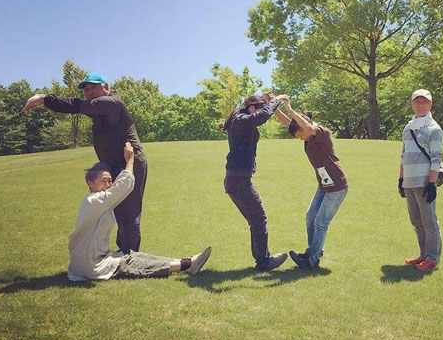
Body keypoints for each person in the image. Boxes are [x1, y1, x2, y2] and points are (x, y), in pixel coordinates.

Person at [22, 72, 147, 254]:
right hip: (110, 164)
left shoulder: (111, 104)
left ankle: (130, 255)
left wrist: (44, 99)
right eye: (86, 89)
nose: (89, 91)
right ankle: (123, 252)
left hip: (130, 160)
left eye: (94, 87)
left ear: (106, 87)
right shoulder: (99, 109)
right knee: (116, 208)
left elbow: (76, 105)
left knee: (128, 211)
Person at [68, 142, 211, 281]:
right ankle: (187, 265)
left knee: (137, 257)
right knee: (134, 263)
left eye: (110, 181)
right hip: (91, 265)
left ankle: (186, 261)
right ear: (90, 183)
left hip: (91, 260)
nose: (108, 185)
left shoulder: (102, 203)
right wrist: (130, 160)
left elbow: (120, 189)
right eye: (103, 181)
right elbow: (124, 186)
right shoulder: (93, 201)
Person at [273, 96, 348, 269]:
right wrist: (275, 107)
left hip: (337, 186)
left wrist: (290, 109)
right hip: (323, 185)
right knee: (310, 217)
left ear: (305, 127)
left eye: (300, 134)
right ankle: (315, 251)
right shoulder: (307, 137)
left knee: (320, 222)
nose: (300, 138)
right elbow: (289, 124)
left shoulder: (321, 133)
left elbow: (306, 127)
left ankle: (311, 259)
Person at [220, 93, 289, 271]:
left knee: (255, 220)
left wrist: (269, 100)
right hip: (239, 181)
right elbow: (263, 116)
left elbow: (262, 115)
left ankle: (261, 259)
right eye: (258, 107)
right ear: (251, 108)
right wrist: (277, 99)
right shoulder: (241, 119)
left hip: (237, 180)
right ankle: (263, 262)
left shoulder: (241, 120)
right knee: (259, 219)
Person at [399, 89, 443, 271]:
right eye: (417, 101)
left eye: (424, 102)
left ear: (430, 104)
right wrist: (400, 179)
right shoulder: (408, 127)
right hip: (409, 181)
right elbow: (403, 155)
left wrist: (432, 183)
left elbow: (436, 157)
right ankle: (423, 254)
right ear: (412, 104)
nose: (420, 105)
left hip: (424, 181)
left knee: (429, 221)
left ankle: (432, 257)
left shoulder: (434, 129)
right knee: (416, 220)